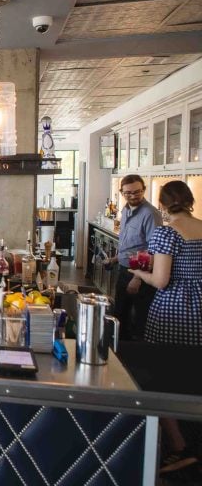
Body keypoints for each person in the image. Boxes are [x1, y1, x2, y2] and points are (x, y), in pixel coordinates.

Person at [128, 180, 202, 477]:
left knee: (160, 378)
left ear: (162, 202)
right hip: (199, 308)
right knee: (193, 375)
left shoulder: (166, 233)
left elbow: (160, 280)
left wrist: (137, 273)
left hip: (174, 311)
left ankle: (178, 446)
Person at [108, 175, 162, 341]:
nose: (133, 195)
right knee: (120, 314)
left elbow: (152, 249)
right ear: (122, 193)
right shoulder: (125, 210)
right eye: (128, 193)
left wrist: (137, 277)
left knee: (138, 318)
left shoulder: (150, 214)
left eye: (137, 192)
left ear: (143, 190)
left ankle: (136, 358)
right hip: (125, 269)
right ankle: (119, 352)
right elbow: (131, 244)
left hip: (140, 274)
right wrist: (115, 258)